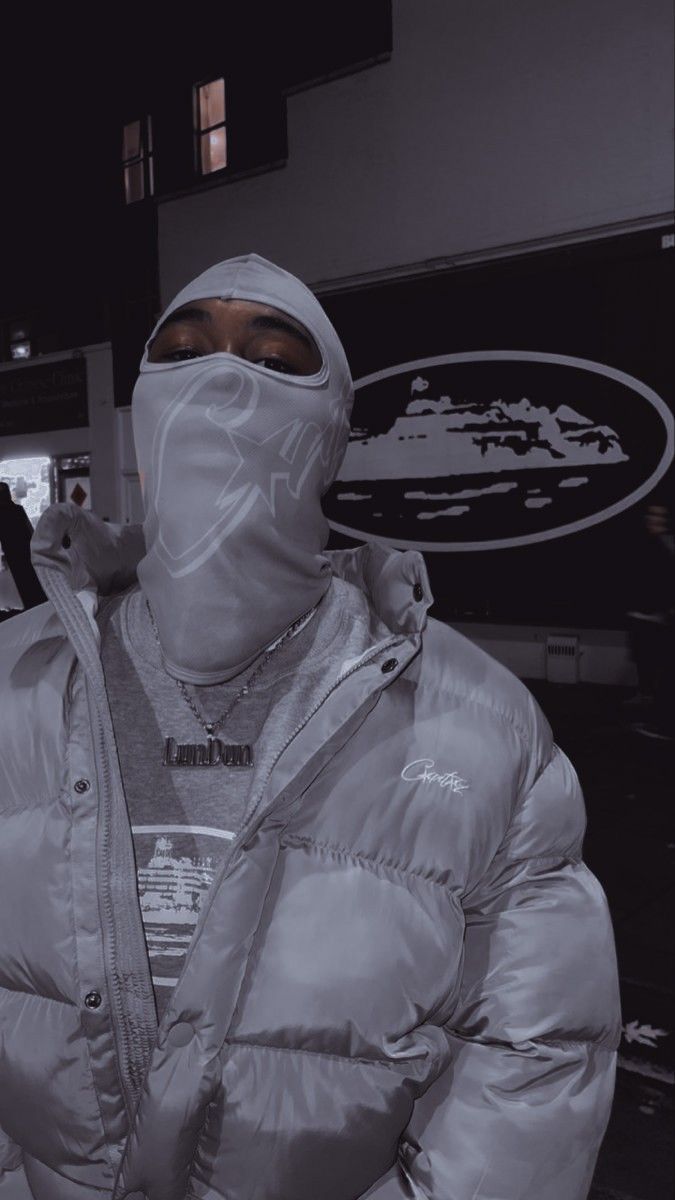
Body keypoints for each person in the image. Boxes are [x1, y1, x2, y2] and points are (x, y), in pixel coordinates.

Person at [0, 254, 621, 1200]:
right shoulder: (15, 682)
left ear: (331, 435)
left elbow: (533, 1066)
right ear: (142, 411)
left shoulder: (485, 728)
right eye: (183, 351)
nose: (222, 374)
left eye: (273, 358)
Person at [0, 480, 46, 610]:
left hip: (12, 553)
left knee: (21, 581)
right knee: (32, 578)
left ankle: (30, 605)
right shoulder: (18, 510)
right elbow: (29, 530)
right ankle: (38, 603)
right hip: (26, 550)